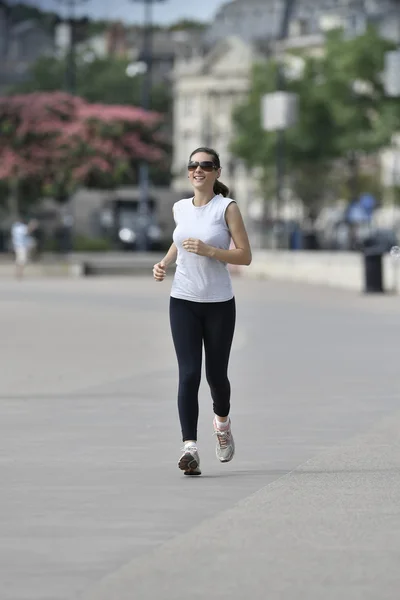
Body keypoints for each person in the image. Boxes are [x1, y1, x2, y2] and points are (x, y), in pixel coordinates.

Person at [153, 147, 252, 476]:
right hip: (182, 300)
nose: (198, 170)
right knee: (189, 373)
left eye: (205, 165)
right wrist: (165, 263)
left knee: (216, 377)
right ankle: (189, 448)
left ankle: (222, 426)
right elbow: (179, 240)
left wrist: (211, 250)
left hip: (219, 304)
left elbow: (245, 256)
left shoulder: (227, 208)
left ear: (217, 172)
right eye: (193, 165)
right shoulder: (180, 208)